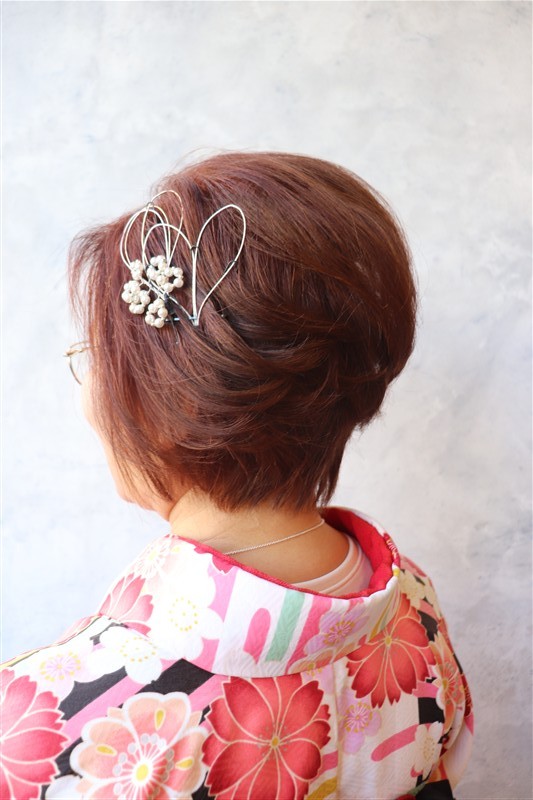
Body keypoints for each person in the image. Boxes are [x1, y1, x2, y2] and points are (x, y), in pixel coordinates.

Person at [0, 152, 473, 800]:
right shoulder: (413, 610)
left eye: (97, 359)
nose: (88, 397)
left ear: (176, 402)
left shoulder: (47, 726)